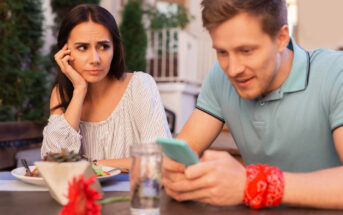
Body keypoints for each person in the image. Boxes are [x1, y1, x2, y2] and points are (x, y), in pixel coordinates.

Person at [162, 0, 343, 209]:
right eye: (222, 52)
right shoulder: (220, 78)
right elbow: (181, 155)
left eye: (246, 50)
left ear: (282, 38)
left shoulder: (335, 73)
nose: (232, 69)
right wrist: (174, 174)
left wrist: (253, 184)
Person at [41, 4, 171, 169]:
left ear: (115, 49)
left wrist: (92, 165)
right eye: (82, 47)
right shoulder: (62, 94)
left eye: (103, 46)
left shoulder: (140, 85)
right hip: (82, 194)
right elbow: (55, 163)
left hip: (132, 193)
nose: (95, 59)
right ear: (65, 52)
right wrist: (79, 90)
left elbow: (158, 156)